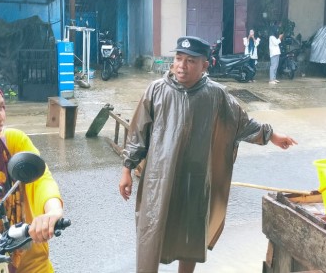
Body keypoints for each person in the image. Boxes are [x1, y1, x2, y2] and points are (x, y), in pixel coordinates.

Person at [119, 36, 297, 273]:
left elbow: (243, 123)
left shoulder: (216, 95)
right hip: (159, 178)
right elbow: (138, 132)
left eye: (191, 61)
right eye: (178, 58)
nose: (182, 65)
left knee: (191, 233)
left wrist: (272, 135)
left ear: (205, 65)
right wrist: (126, 170)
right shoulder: (157, 90)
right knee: (151, 230)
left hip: (196, 178)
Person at [0, 83, 63, 273]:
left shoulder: (13, 142)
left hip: (32, 262)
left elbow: (41, 180)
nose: (0, 117)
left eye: (2, 107)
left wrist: (52, 211)